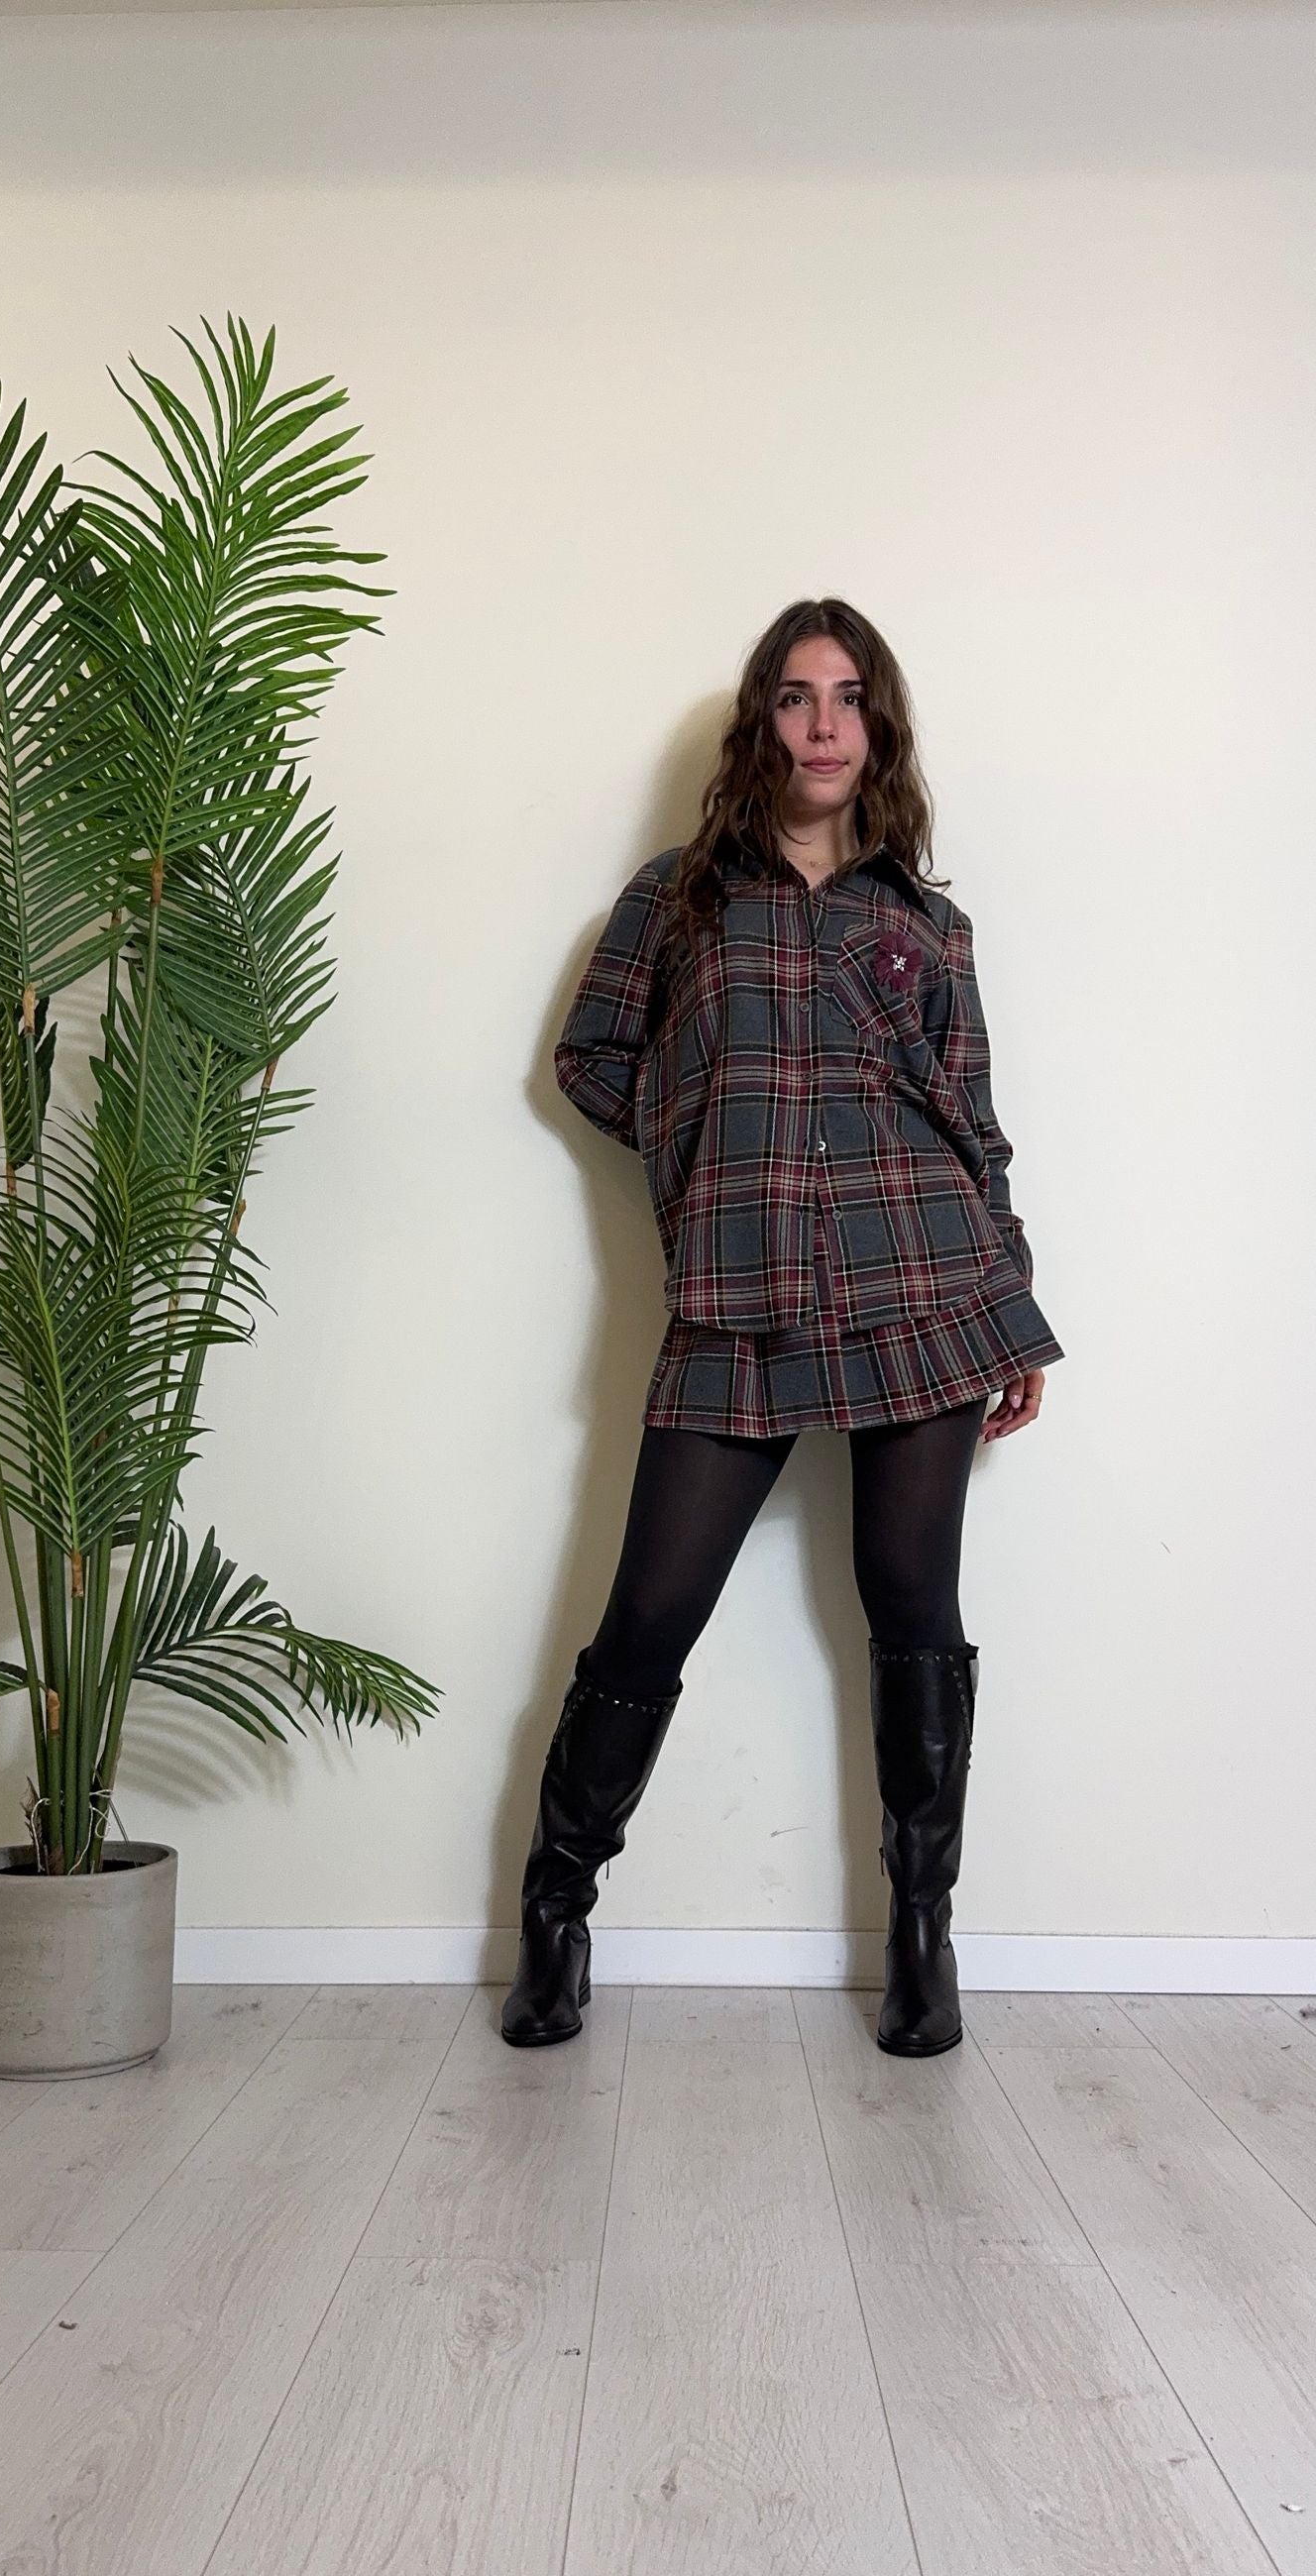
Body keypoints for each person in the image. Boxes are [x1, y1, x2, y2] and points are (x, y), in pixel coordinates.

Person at [501, 597, 1064, 2059]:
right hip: (736, 1296)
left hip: (921, 1285)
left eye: (850, 697)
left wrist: (1010, 1302)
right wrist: (707, 1149)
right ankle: (557, 1913)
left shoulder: (926, 926)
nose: (824, 724)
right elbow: (589, 1057)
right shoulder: (678, 899)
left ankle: (924, 1934)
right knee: (649, 1612)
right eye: (798, 696)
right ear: (764, 721)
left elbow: (973, 1122)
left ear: (879, 727)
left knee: (913, 1612)